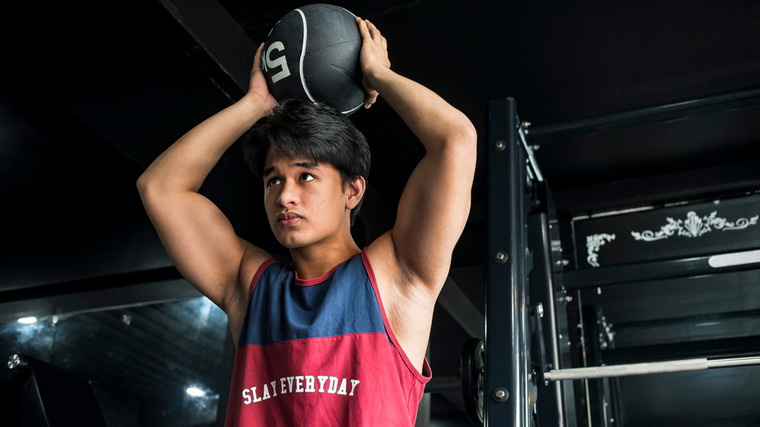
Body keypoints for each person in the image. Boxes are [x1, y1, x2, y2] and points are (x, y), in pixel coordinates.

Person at [137, 17, 476, 426]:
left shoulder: (397, 276)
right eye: (273, 179)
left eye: (306, 176)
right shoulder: (250, 287)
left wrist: (377, 75)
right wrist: (256, 106)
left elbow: (454, 139)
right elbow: (160, 188)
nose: (285, 195)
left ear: (353, 191)